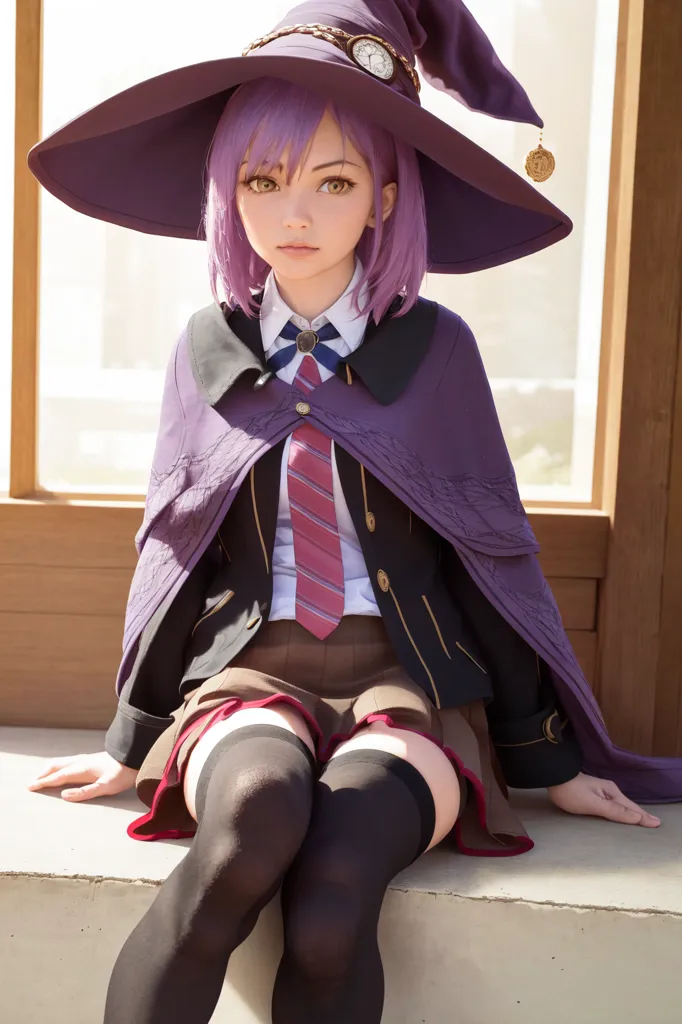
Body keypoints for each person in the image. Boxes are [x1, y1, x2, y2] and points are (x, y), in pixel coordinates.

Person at [26, 2, 677, 1022]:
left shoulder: (436, 351)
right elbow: (176, 550)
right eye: (262, 179)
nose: (295, 212)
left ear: (383, 195)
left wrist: (549, 758)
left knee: (333, 899)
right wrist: (128, 736)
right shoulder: (209, 349)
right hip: (246, 674)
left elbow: (486, 557)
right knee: (248, 830)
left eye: (332, 181)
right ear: (227, 192)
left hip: (409, 686)